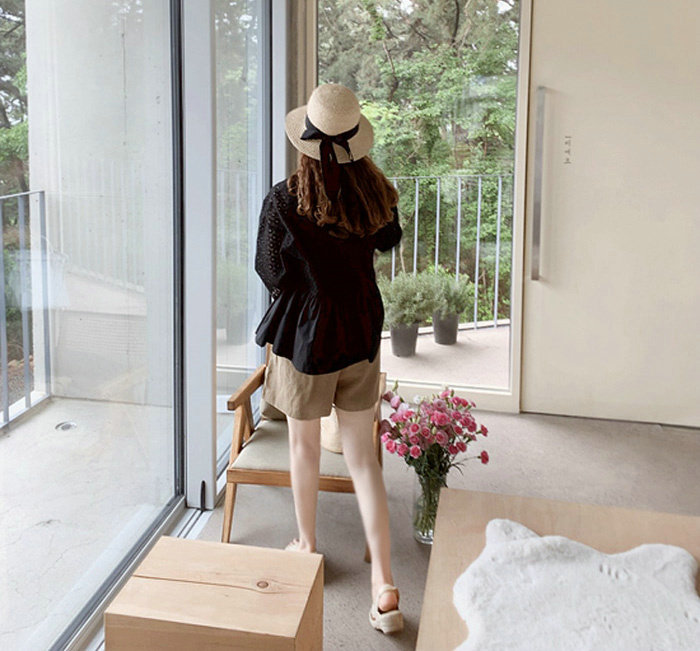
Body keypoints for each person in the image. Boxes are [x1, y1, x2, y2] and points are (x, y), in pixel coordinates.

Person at [253, 83, 404, 635]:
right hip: (361, 330)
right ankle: (385, 585)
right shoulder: (376, 193)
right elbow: (389, 239)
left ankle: (307, 544)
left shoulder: (284, 198)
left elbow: (269, 270)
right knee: (363, 458)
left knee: (304, 446)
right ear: (355, 139)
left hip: (307, 339)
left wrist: (306, 285)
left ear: (305, 142)